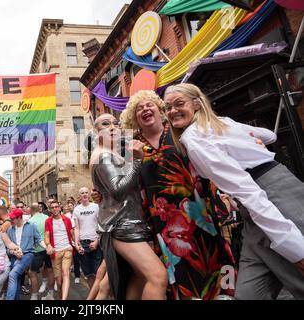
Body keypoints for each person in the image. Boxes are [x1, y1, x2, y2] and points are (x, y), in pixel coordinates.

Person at [164, 83, 304, 299]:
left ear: (197, 104)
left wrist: (295, 249)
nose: (173, 111)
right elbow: (269, 136)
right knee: (248, 294)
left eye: (179, 104)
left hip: (271, 199)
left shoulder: (194, 139)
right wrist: (253, 142)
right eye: (168, 107)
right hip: (266, 201)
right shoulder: (221, 123)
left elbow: (246, 190)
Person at [107, 89, 237, 300]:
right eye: (140, 109)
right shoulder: (131, 147)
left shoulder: (180, 132)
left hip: (198, 212)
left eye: (150, 105)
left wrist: (222, 197)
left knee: (212, 260)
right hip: (164, 223)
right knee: (179, 272)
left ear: (160, 110)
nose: (145, 109)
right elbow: (127, 187)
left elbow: (206, 164)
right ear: (134, 118)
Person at [89, 113, 168, 300]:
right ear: (95, 132)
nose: (112, 127)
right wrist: (138, 160)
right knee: (158, 277)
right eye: (105, 124)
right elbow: (118, 190)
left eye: (116, 123)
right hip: (122, 225)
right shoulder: (103, 156)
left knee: (139, 278)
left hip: (130, 222)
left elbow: (112, 191)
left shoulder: (114, 152)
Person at [6, 208, 45, 300]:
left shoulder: (31, 226)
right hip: (14, 257)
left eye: (13, 218)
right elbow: (7, 248)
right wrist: (14, 252)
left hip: (27, 254)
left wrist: (47, 247)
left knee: (12, 275)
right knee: (16, 278)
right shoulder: (10, 230)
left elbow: (39, 239)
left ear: (19, 217)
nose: (11, 220)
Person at [44, 200, 75, 300]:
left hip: (67, 249)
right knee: (59, 281)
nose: (54, 209)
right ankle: (62, 296)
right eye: (52, 207)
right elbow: (46, 236)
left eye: (56, 206)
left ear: (60, 207)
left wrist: (77, 245)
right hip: (55, 252)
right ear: (50, 209)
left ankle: (64, 299)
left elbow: (72, 234)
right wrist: (48, 245)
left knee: (66, 273)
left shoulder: (66, 219)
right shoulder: (48, 221)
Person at [73, 187, 102, 289]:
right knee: (89, 274)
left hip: (96, 242)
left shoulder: (96, 207)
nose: (84, 195)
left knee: (98, 273)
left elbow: (101, 225)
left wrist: (97, 241)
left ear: (89, 194)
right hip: (83, 244)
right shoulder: (76, 209)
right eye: (82, 193)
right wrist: (77, 244)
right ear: (79, 196)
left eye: (86, 192)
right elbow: (76, 228)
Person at [28, 202, 55, 300]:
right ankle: (51, 295)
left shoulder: (30, 221)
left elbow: (30, 238)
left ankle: (34, 296)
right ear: (39, 209)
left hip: (37, 250)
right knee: (50, 270)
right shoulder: (47, 218)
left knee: (32, 273)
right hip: (48, 247)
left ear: (31, 210)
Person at [64, 201, 81, 284]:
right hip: (73, 242)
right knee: (76, 260)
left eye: (71, 205)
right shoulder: (67, 218)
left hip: (82, 240)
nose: (70, 207)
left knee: (84, 259)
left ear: (74, 206)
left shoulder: (79, 215)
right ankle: (77, 276)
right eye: (69, 206)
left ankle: (87, 274)